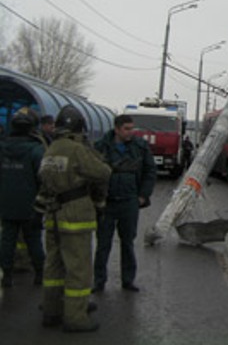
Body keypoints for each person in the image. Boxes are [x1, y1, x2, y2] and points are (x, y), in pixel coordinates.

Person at [37, 105, 111, 332]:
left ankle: (52, 311)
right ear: (80, 128)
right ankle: (75, 317)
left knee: (54, 266)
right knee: (78, 268)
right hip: (75, 214)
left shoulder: (51, 149)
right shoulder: (76, 149)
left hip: (53, 213)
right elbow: (102, 172)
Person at [93, 114, 156, 293]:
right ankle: (99, 281)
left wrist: (143, 195)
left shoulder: (140, 147)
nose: (131, 132)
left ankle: (128, 280)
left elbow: (150, 171)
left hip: (129, 201)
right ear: (117, 129)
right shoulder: (101, 147)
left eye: (132, 128)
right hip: (107, 203)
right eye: (127, 129)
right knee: (103, 244)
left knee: (128, 242)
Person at [0, 108, 46, 288]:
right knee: (34, 240)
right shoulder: (36, 149)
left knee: (7, 240)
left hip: (6, 203)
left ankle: (6, 275)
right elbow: (43, 178)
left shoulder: (2, 148)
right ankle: (39, 274)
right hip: (31, 205)